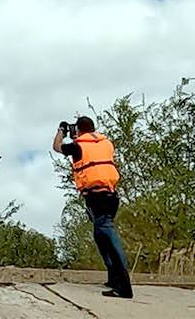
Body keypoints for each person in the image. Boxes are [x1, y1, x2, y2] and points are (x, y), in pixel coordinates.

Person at [54, 117, 132, 300]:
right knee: (100, 235)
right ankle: (113, 279)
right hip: (111, 195)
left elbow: (57, 147)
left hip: (97, 197)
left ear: (79, 129)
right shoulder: (106, 143)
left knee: (107, 234)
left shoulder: (79, 146)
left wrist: (61, 131)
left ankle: (124, 285)